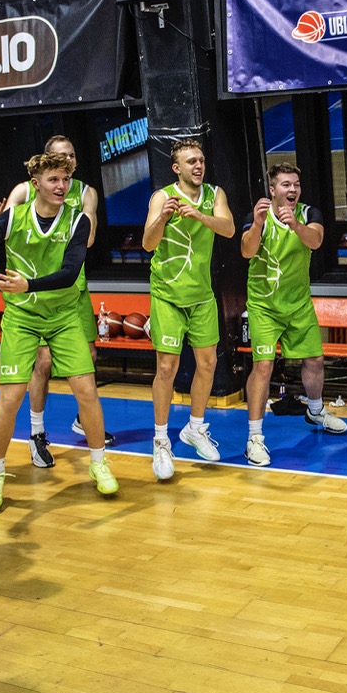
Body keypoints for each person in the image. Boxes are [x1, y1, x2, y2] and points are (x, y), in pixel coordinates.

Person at [0, 151, 117, 510]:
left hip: (63, 316)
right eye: (53, 180)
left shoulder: (78, 220)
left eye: (65, 179)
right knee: (10, 397)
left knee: (86, 390)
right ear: (35, 184)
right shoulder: (14, 217)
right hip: (22, 317)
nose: (61, 186)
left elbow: (70, 272)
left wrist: (28, 285)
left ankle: (99, 463)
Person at [0, 135, 115, 457]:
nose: (67, 161)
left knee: (88, 359)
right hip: (32, 292)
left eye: (71, 155)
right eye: (60, 156)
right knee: (41, 362)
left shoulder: (85, 192)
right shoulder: (24, 191)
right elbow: (6, 229)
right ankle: (37, 431)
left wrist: (72, 223)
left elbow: (89, 239)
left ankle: (83, 420)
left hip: (70, 288)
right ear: (45, 162)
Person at [240, 163, 347, 466]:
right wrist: (257, 224)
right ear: (272, 189)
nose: (293, 189)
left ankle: (315, 411)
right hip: (264, 306)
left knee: (314, 359)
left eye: (296, 184)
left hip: (298, 303)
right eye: (286, 184)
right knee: (263, 366)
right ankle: (254, 439)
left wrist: (296, 226)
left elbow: (316, 241)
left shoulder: (309, 213)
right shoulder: (257, 215)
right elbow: (246, 251)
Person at [141, 139, 235, 480]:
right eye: (191, 161)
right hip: (168, 294)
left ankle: (195, 428)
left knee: (208, 364)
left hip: (201, 295)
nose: (198, 166)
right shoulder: (162, 197)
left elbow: (229, 229)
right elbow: (148, 243)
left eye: (201, 160)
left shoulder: (214, 194)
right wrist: (162, 219)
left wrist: (200, 215)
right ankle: (161, 441)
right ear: (176, 168)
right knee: (167, 368)